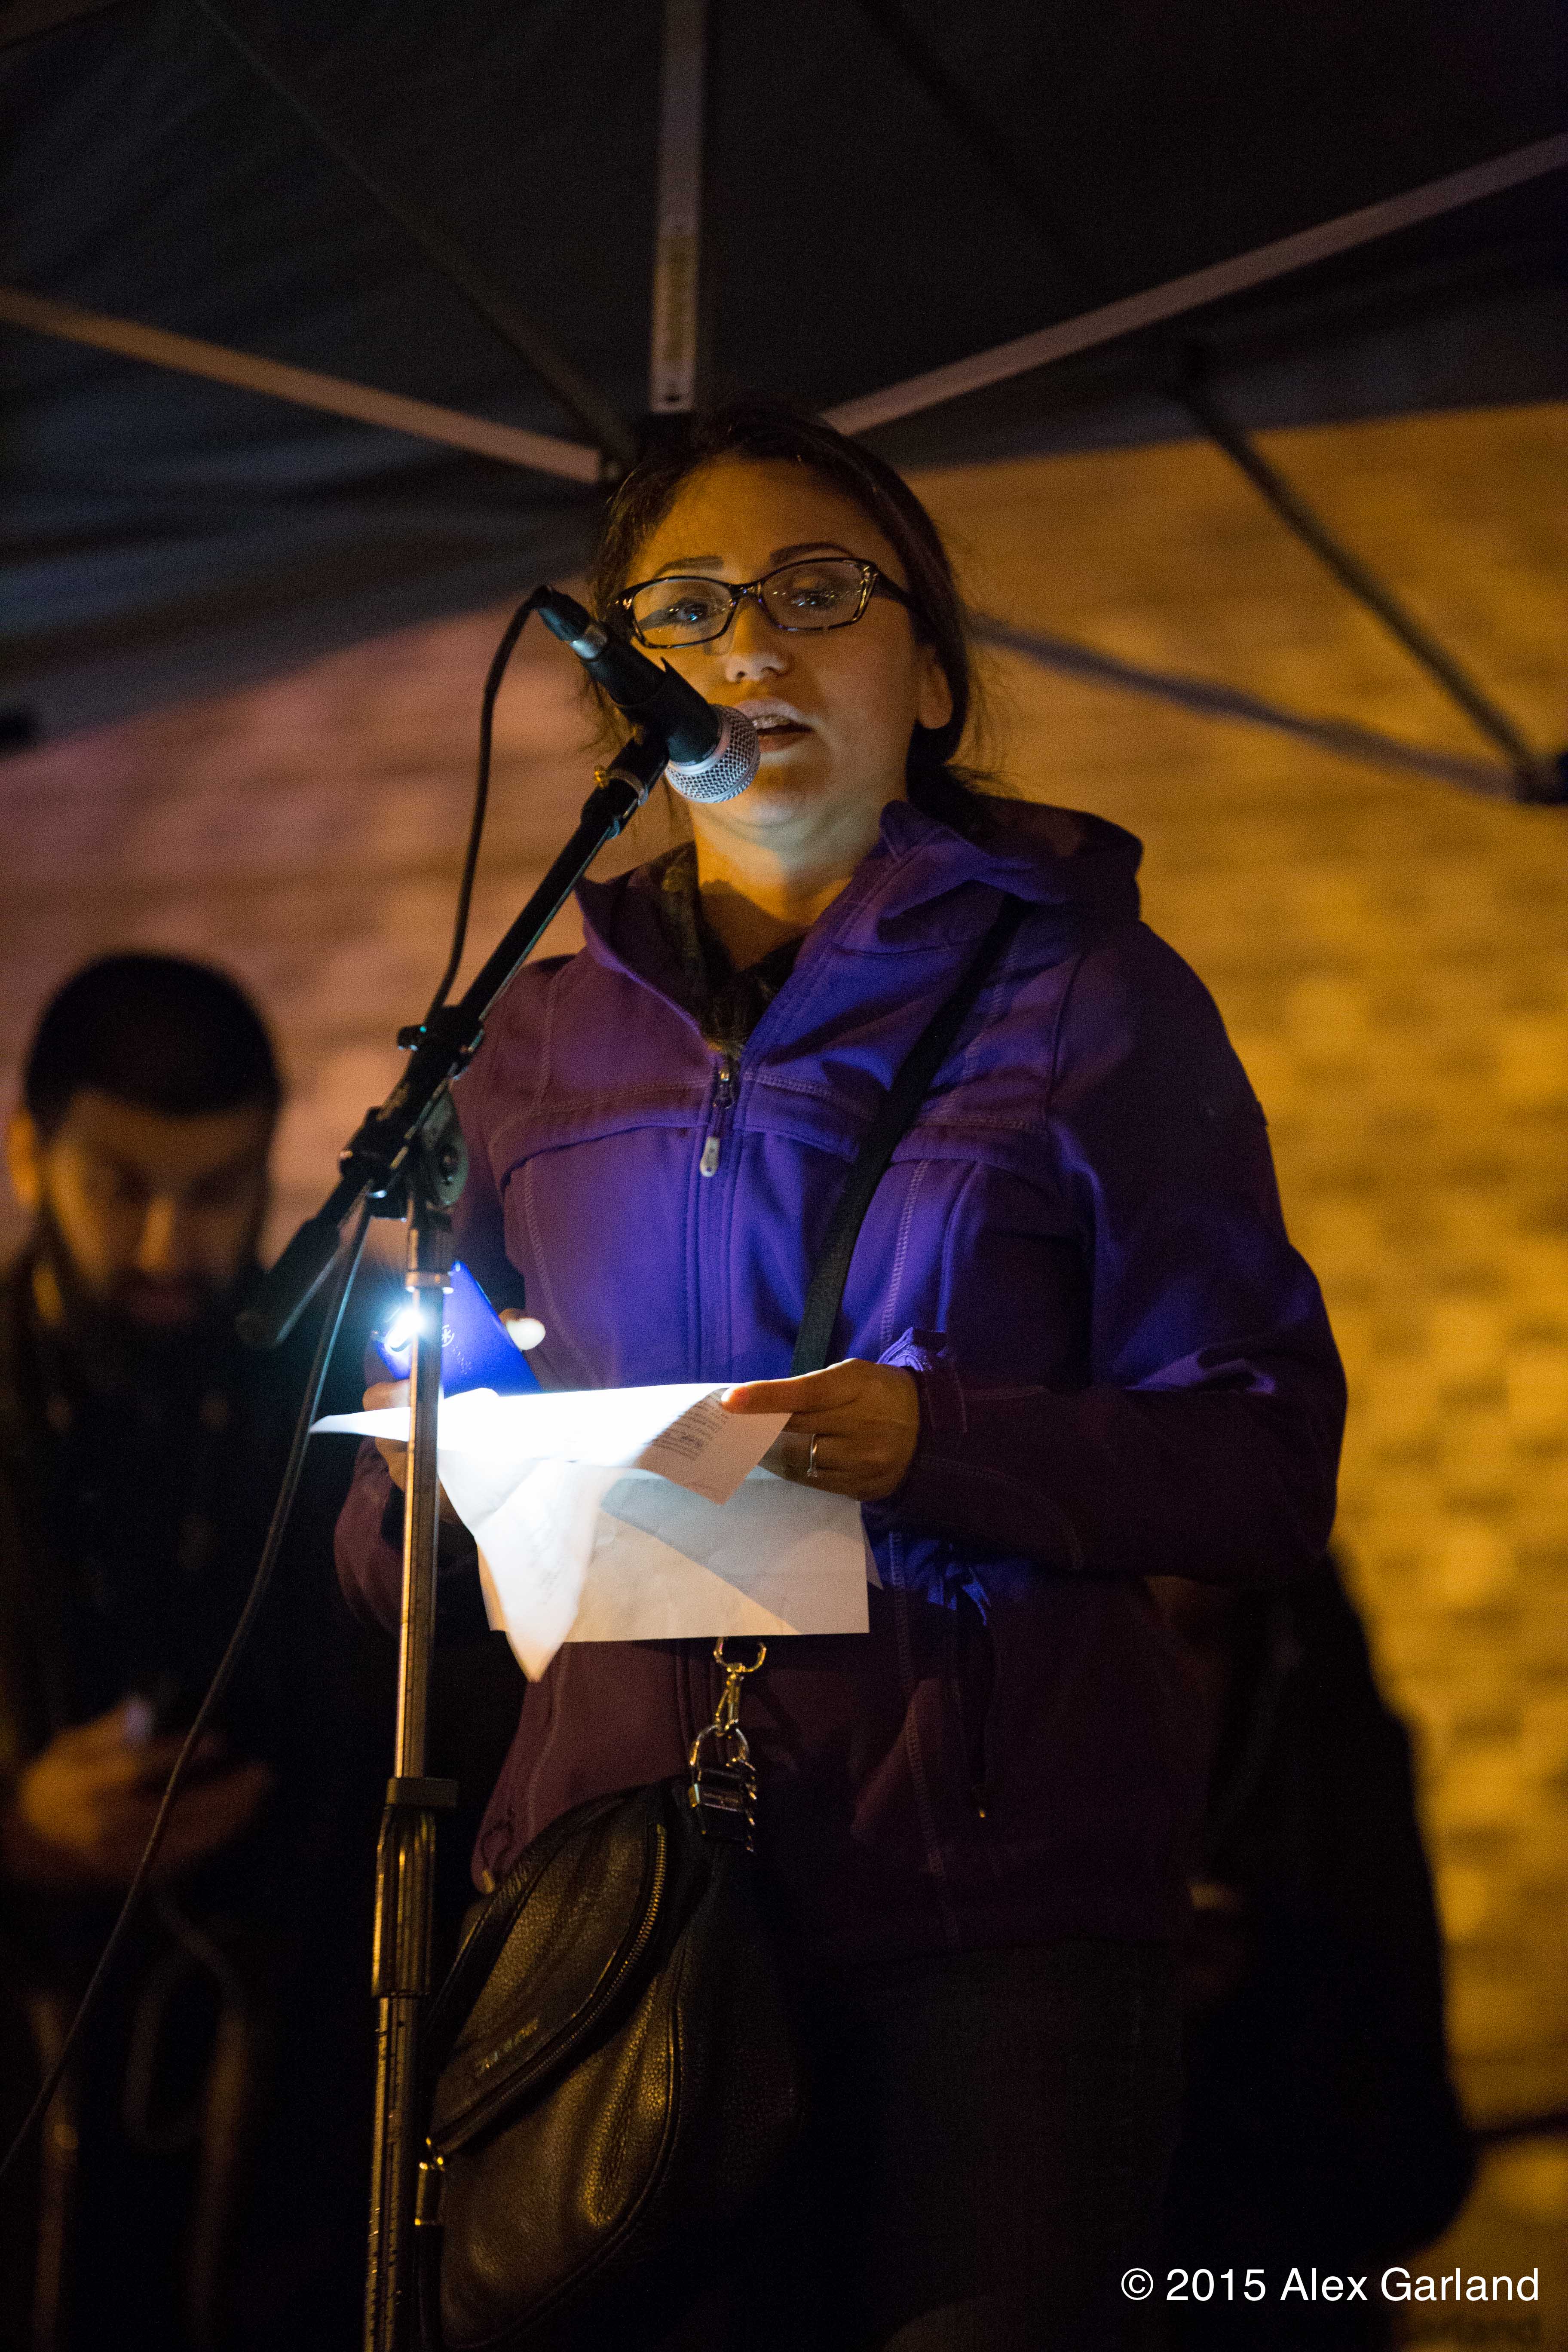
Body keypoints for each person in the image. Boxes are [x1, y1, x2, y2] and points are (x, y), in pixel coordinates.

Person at [336, 404, 1347, 2350]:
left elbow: (1263, 1458)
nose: (751, 648)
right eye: (689, 610)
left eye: (816, 596)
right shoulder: (526, 1044)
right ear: (629, 691)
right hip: (622, 1882)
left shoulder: (1091, 1001)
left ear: (933, 676)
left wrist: (937, 1442)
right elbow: (394, 1570)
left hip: (991, 1912)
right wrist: (428, 1485)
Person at [0, 954, 386, 2352]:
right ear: (29, 1156)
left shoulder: (341, 1396)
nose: (171, 1243)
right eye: (122, 1188)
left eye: (220, 1192)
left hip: (292, 2114)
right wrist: (18, 1834)